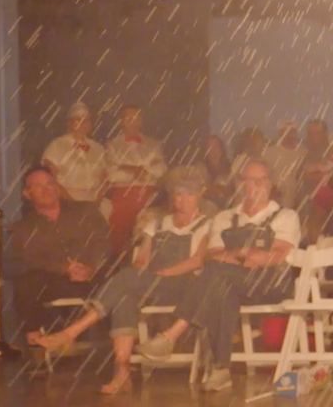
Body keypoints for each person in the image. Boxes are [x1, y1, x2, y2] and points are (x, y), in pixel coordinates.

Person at [26, 167, 212, 394]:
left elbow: (196, 261)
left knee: (125, 278)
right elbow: (142, 258)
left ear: (199, 196)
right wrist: (143, 271)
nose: (182, 201)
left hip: (183, 285)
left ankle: (71, 332)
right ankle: (122, 372)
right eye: (178, 195)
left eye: (189, 195)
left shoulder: (206, 224)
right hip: (152, 282)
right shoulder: (158, 223)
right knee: (124, 294)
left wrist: (158, 275)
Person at [141, 161, 298, 391]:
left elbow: (274, 257)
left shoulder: (285, 215)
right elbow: (213, 256)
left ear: (270, 183)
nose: (259, 185)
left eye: (263, 179)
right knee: (221, 286)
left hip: (269, 283)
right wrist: (245, 253)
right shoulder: (225, 218)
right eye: (252, 180)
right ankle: (221, 370)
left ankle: (172, 334)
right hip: (233, 282)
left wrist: (235, 254)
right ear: (240, 184)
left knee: (217, 276)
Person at [7, 168, 110, 350]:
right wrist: (62, 267)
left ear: (57, 187)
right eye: (38, 186)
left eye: (49, 184)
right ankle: (36, 344)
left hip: (94, 278)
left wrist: (91, 267)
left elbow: (105, 242)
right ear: (27, 194)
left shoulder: (86, 210)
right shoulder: (23, 227)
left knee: (121, 275)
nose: (46, 190)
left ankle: (117, 349)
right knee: (26, 282)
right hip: (57, 282)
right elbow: (26, 259)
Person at [103, 105, 167, 257]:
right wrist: (141, 169)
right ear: (121, 122)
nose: (133, 122)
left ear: (142, 121)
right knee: (119, 237)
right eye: (128, 119)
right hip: (122, 197)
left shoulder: (154, 144)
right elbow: (112, 174)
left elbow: (161, 169)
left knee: (147, 235)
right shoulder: (112, 145)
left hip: (148, 196)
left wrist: (126, 167)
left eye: (137, 118)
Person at [41, 102, 110, 208]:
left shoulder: (98, 148)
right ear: (69, 123)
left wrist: (97, 200)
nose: (83, 123)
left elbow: (104, 179)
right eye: (78, 119)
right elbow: (50, 179)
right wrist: (72, 203)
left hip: (94, 200)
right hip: (66, 199)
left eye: (86, 120)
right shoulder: (56, 146)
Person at [265, 119, 307, 210]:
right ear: (280, 133)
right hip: (276, 202)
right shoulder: (269, 152)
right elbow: (265, 177)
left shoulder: (303, 151)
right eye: (285, 132)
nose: (289, 135)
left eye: (292, 131)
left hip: (299, 203)